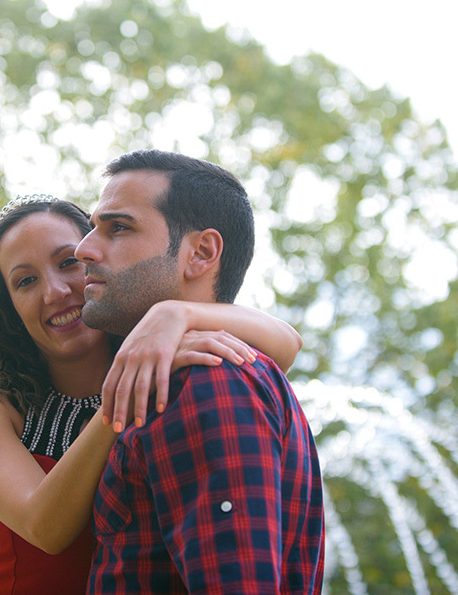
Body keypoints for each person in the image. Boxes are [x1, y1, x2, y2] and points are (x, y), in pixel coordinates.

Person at [0, 193, 304, 595]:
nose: (55, 291)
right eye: (26, 281)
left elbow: (286, 343)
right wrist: (126, 391)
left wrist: (178, 313)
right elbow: (44, 527)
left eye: (68, 262)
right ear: (9, 305)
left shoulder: (157, 351)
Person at [74, 149, 325, 594]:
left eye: (118, 227)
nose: (84, 249)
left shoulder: (206, 379)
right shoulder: (182, 377)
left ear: (200, 253)